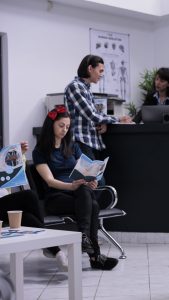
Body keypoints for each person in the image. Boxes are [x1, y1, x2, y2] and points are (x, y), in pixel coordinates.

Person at [32, 106, 119, 270]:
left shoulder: (72, 146)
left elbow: (86, 169)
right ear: (51, 125)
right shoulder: (40, 151)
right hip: (56, 197)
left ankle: (86, 241)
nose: (64, 130)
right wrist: (72, 186)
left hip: (78, 195)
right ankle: (94, 255)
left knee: (89, 197)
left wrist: (91, 180)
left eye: (67, 126)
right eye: (61, 126)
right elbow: (50, 181)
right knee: (90, 202)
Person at [0, 142, 68, 272]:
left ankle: (55, 250)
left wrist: (19, 154)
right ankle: (48, 245)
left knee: (28, 217)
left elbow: (11, 170)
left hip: (4, 202)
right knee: (29, 195)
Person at [64, 54, 133, 162]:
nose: (101, 75)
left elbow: (96, 114)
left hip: (90, 141)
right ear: (90, 68)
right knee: (93, 178)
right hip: (81, 141)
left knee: (95, 178)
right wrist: (119, 119)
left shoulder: (87, 89)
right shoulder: (75, 87)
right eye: (100, 71)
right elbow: (91, 115)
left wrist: (104, 122)